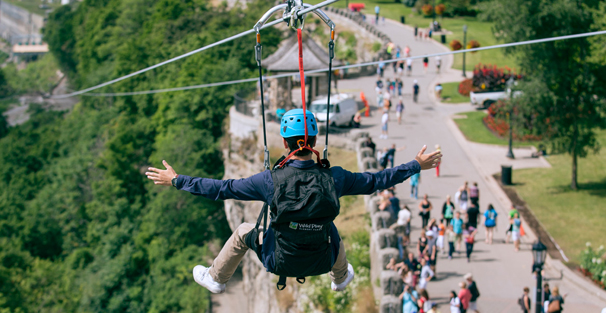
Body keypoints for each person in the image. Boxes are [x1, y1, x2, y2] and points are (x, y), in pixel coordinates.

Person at [146, 109, 443, 294]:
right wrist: (415, 165)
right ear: (313, 142)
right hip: (322, 259)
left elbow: (222, 189)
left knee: (243, 232)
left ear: (285, 144)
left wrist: (177, 180)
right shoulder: (334, 179)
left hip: (279, 260)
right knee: (327, 225)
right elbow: (378, 180)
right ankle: (340, 278)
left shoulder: (269, 181)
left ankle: (216, 278)